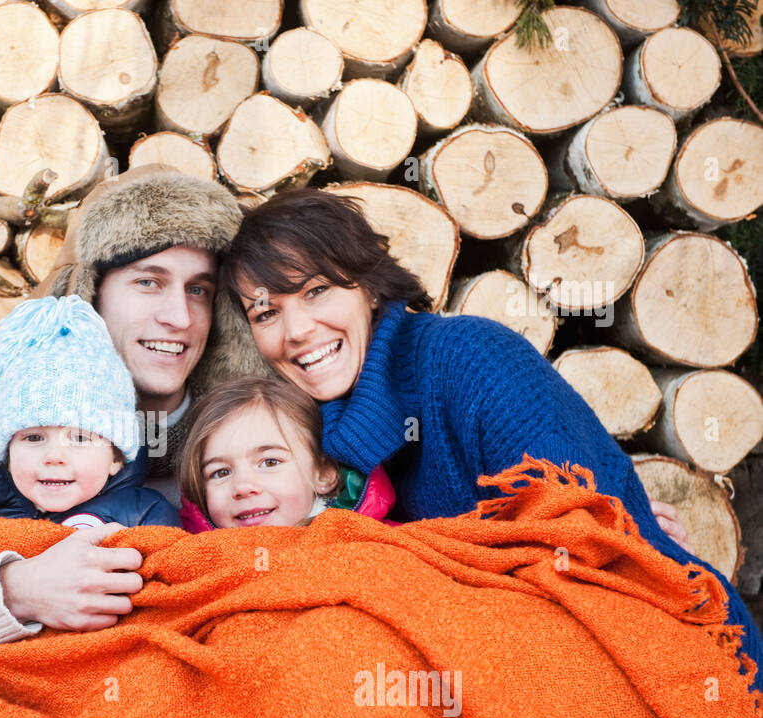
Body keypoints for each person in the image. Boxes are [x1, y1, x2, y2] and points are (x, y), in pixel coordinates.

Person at [217, 187, 763, 683]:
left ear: (368, 287)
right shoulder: (320, 436)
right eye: (265, 312)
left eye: (315, 291)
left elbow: (579, 548)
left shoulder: (470, 358)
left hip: (669, 662)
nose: (296, 331)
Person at [0, 167, 274, 658]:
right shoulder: (5, 438)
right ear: (90, 293)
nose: (179, 317)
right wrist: (16, 591)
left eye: (199, 289)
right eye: (149, 282)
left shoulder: (256, 447)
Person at [0, 295, 180, 528]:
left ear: (115, 458)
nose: (54, 456)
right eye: (33, 437)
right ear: (7, 455)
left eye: (79, 438)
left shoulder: (141, 516)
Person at [177, 375, 395, 530]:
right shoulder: (188, 562)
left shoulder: (383, 544)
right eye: (221, 472)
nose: (242, 487)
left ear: (324, 473)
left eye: (270, 462)